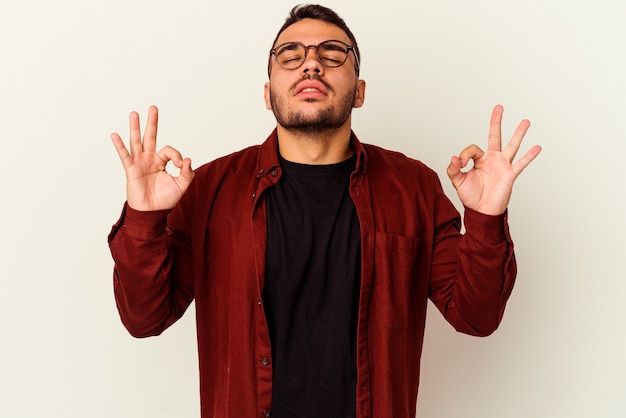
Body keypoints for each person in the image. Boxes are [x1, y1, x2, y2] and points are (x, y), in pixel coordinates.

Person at [108, 4, 541, 418]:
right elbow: (145, 317)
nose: (311, 64)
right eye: (290, 55)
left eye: (332, 54)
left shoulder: (413, 188)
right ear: (267, 93)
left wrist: (485, 219)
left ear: (360, 91)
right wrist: (144, 219)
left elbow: (476, 316)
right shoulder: (208, 189)